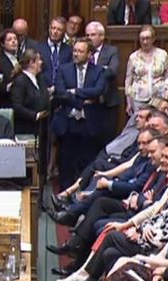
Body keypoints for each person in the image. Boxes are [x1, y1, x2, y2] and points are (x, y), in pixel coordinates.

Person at [51, 38, 108, 191]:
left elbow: (98, 90)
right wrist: (83, 101)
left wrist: (75, 92)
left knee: (87, 163)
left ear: (89, 54)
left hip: (88, 124)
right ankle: (64, 196)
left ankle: (84, 195)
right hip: (68, 123)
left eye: (80, 51)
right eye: (75, 50)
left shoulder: (99, 71)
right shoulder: (63, 69)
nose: (76, 54)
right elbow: (61, 93)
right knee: (66, 164)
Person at [85, 21, 121, 145]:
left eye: (93, 35)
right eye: (87, 35)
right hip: (89, 103)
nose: (89, 38)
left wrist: (93, 73)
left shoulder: (111, 51)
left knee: (107, 139)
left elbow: (112, 71)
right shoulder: (83, 51)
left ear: (102, 36)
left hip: (108, 102)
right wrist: (102, 69)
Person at [124, 25, 168, 116]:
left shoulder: (162, 54)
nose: (145, 42)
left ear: (153, 39)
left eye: (147, 38)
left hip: (159, 98)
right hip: (138, 99)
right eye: (142, 39)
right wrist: (129, 102)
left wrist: (165, 97)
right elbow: (128, 80)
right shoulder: (133, 57)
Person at [10, 49, 49, 139]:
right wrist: (36, 115)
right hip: (26, 130)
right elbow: (17, 106)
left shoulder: (40, 79)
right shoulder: (20, 81)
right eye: (39, 60)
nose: (41, 62)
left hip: (41, 129)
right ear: (32, 63)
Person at [36, 17, 73, 89]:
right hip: (42, 90)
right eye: (53, 28)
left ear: (64, 32)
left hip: (62, 90)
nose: (55, 32)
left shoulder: (69, 50)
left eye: (59, 30)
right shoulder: (38, 48)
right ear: (49, 29)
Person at [0, 28, 19, 108]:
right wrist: (8, 87)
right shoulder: (0, 61)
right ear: (2, 44)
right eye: (9, 40)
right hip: (7, 101)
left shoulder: (21, 58)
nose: (13, 42)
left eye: (15, 39)